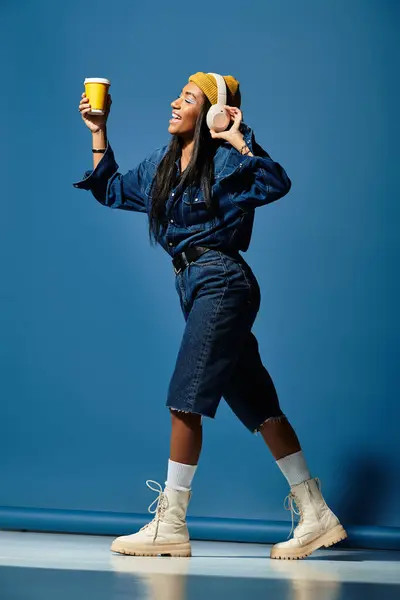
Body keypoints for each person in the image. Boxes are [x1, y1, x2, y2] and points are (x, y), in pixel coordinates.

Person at [74, 72, 347, 560]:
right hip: (196, 286)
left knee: (186, 398)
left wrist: (238, 138)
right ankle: (317, 514)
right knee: (260, 407)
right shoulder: (161, 164)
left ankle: (171, 523)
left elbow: (275, 181)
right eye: (178, 95)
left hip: (222, 281)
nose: (176, 103)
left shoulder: (225, 161)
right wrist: (99, 128)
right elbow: (110, 189)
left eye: (189, 98)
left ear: (212, 112)